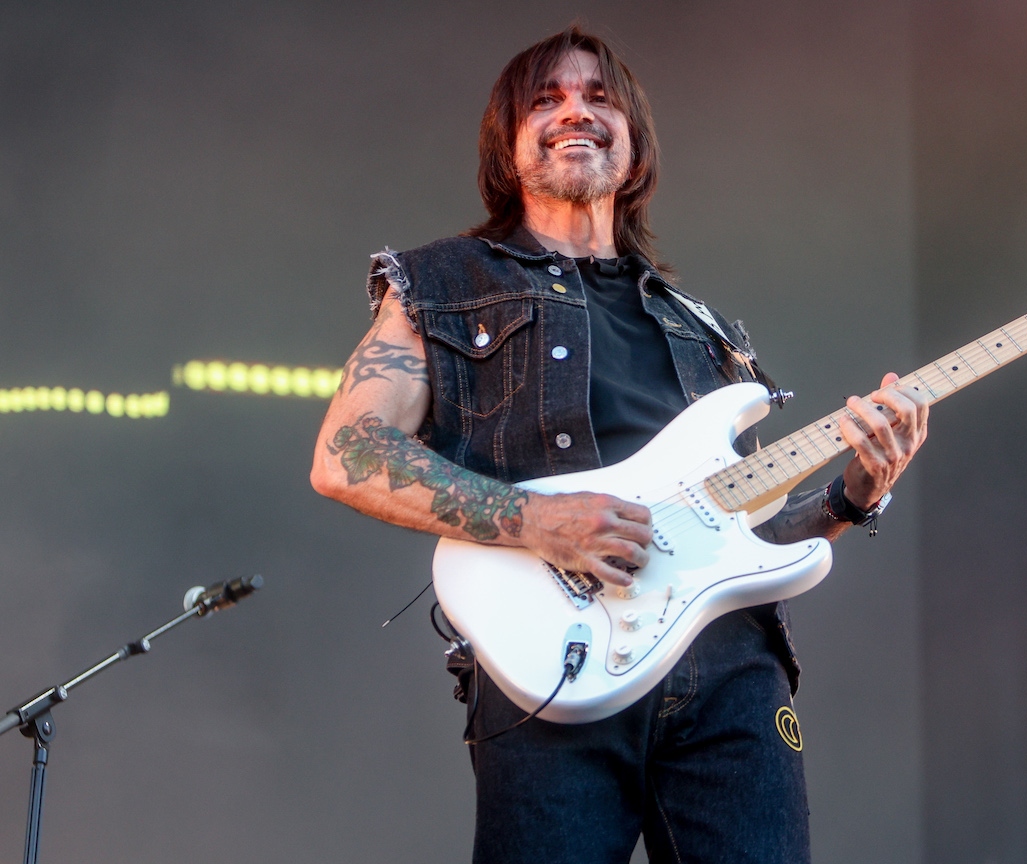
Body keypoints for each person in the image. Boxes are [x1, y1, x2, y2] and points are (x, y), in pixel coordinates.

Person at [310, 26, 928, 864]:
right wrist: (537, 521)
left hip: (732, 679)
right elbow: (347, 452)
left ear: (633, 147)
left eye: (600, 97)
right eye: (548, 98)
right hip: (552, 665)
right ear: (508, 143)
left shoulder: (703, 329)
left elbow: (744, 541)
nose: (578, 110)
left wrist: (856, 494)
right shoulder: (442, 286)